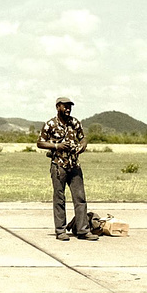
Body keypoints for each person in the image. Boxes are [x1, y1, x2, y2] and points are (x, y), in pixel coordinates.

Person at [36, 97, 98, 241]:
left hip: (74, 165)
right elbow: (40, 143)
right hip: (58, 165)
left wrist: (83, 146)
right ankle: (60, 231)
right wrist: (57, 146)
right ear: (58, 107)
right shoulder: (50, 124)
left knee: (80, 198)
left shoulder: (75, 122)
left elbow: (83, 138)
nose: (68, 109)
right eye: (65, 106)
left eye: (70, 107)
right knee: (59, 198)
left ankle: (83, 230)